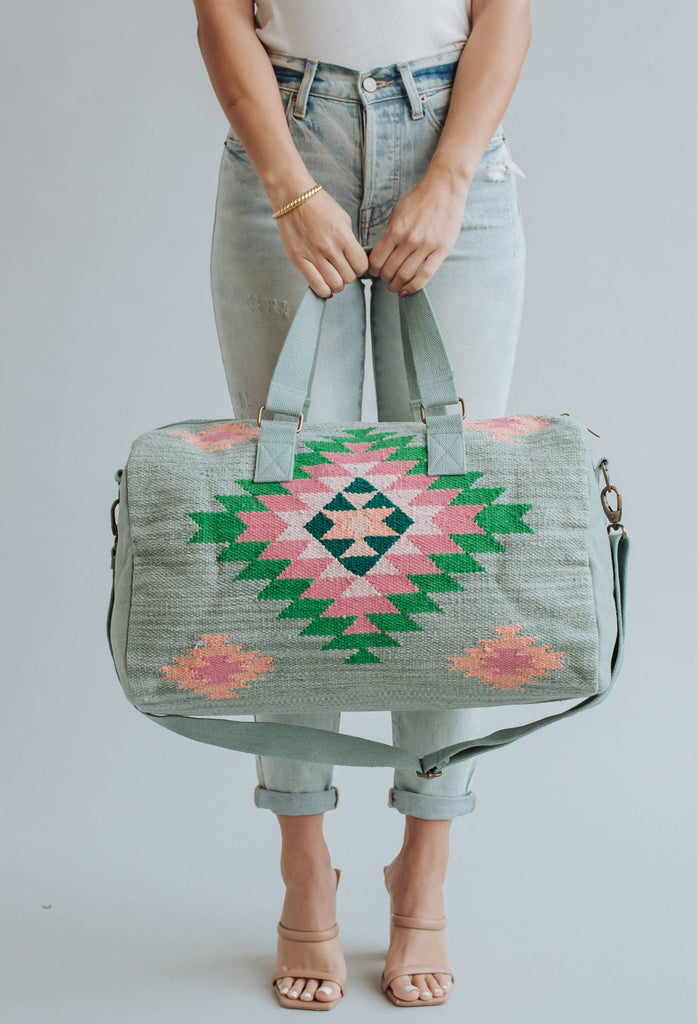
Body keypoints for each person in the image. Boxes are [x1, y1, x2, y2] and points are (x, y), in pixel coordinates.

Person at [193, 0, 531, 1008]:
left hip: (450, 131)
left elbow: (503, 13)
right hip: (284, 138)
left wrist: (450, 177)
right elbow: (218, 15)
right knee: (288, 538)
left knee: (447, 540)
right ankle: (304, 866)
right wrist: (291, 191)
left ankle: (421, 869)